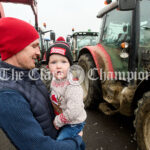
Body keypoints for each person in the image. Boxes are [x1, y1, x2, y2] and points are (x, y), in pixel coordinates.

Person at [0, 17, 84, 150]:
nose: (39, 53)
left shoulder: (30, 72)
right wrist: (76, 140)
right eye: (34, 46)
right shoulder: (7, 96)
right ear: (15, 47)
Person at [46, 42, 87, 141]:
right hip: (63, 118)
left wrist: (57, 121)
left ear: (70, 65)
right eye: (53, 62)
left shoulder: (72, 86)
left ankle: (77, 136)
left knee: (61, 142)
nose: (58, 66)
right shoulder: (55, 79)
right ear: (48, 66)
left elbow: (74, 111)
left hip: (73, 122)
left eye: (63, 62)